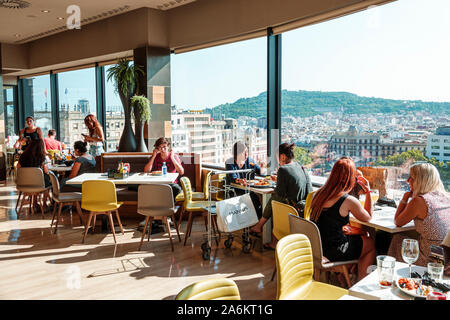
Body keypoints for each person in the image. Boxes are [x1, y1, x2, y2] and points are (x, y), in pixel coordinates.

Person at [309, 156, 375, 281]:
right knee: (369, 243)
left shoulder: (318, 194)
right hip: (334, 251)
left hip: (318, 247)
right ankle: (360, 284)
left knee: (356, 238)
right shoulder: (347, 200)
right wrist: (368, 192)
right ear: (351, 178)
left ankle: (344, 276)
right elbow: (368, 217)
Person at [249, 143, 312, 249]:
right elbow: (308, 190)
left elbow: (280, 193)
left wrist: (278, 182)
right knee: (276, 203)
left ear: (282, 156)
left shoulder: (283, 169)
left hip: (291, 210)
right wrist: (279, 180)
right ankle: (266, 234)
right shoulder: (301, 167)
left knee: (275, 201)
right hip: (304, 209)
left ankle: (260, 226)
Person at [387, 163, 450, 267]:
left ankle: (390, 273)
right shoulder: (447, 196)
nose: (408, 181)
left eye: (411, 177)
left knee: (396, 239)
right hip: (446, 255)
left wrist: (405, 197)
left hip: (431, 257)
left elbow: (398, 222)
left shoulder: (420, 201)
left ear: (420, 180)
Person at [225, 141, 263, 218]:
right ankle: (253, 222)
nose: (246, 155)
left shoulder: (250, 161)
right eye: (243, 152)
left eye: (247, 152)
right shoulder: (230, 162)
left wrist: (262, 167)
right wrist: (240, 181)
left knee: (258, 199)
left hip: (249, 190)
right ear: (237, 153)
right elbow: (233, 177)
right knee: (253, 199)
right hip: (235, 190)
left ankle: (257, 223)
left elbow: (260, 172)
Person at [16, 139, 51, 208]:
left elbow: (18, 167)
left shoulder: (22, 156)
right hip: (38, 183)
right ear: (41, 147)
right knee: (47, 181)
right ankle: (44, 204)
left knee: (35, 180)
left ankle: (34, 203)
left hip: (24, 183)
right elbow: (46, 171)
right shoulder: (42, 157)